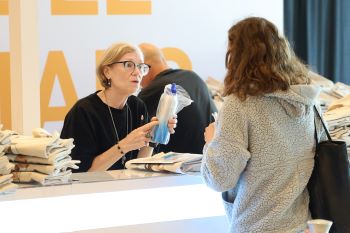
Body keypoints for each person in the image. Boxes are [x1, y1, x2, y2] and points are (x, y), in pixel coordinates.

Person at [201, 17, 324, 233]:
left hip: (256, 226)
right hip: (302, 225)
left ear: (237, 57)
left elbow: (220, 179)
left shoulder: (239, 105)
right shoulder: (308, 101)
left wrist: (211, 142)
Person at [60, 42, 177, 172]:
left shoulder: (137, 106)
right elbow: (80, 175)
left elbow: (137, 166)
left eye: (141, 66)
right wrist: (124, 145)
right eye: (128, 65)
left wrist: (153, 136)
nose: (137, 72)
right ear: (107, 71)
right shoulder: (83, 112)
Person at [138, 43, 217, 154]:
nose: (136, 74)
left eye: (137, 67)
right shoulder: (194, 77)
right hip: (210, 160)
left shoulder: (151, 91)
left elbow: (139, 142)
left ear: (144, 67)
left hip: (176, 166)